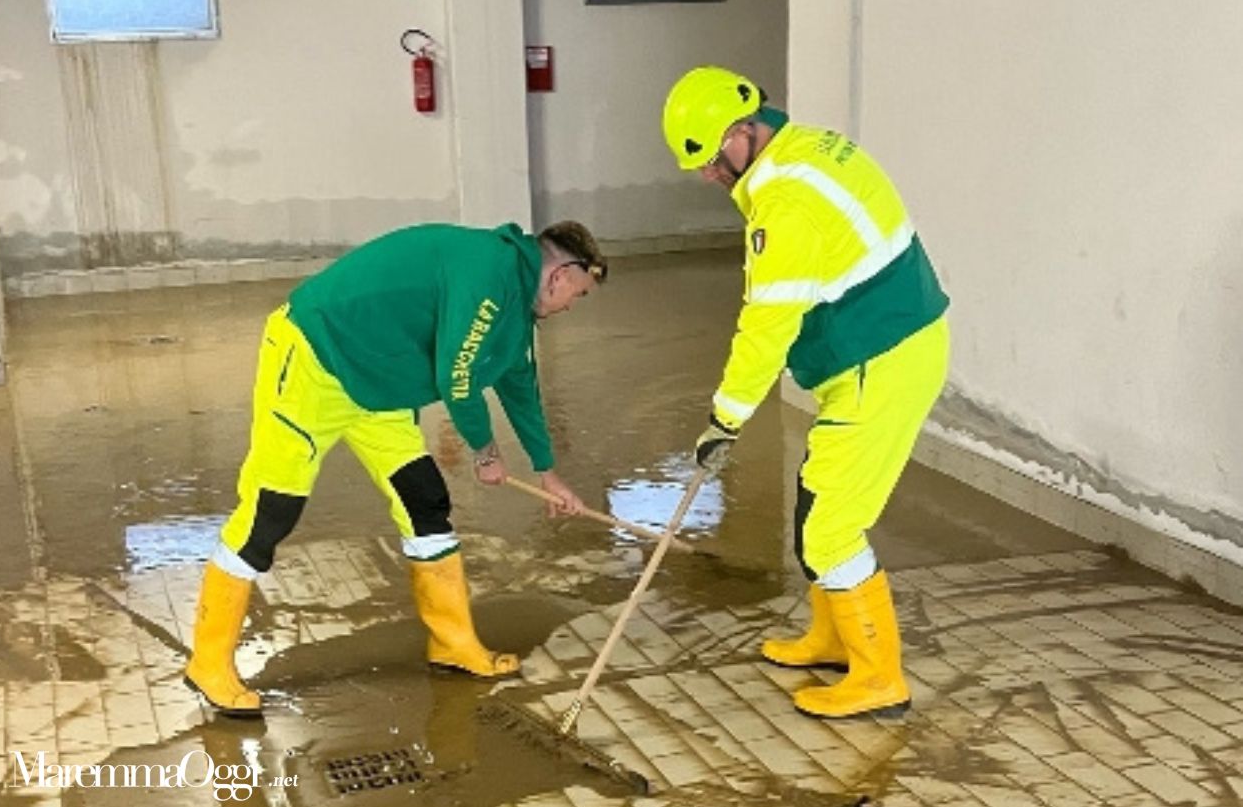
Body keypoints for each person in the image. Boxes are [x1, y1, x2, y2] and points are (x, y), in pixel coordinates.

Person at [184, 220, 608, 717]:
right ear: (560, 275)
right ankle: (209, 663)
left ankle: (453, 644)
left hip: (377, 385)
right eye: (576, 295)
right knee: (271, 511)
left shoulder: (516, 306)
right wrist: (486, 451)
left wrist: (547, 472)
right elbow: (459, 375)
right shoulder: (489, 271)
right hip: (315, 360)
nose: (570, 306)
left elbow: (518, 380)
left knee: (425, 501)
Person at [663, 67, 950, 719]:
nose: (708, 176)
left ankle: (878, 676)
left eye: (710, 160)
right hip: (877, 350)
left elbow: (766, 324)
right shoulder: (806, 148)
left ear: (742, 132)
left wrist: (724, 420)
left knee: (830, 528)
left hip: (883, 359)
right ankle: (830, 637)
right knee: (816, 495)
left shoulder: (784, 201)